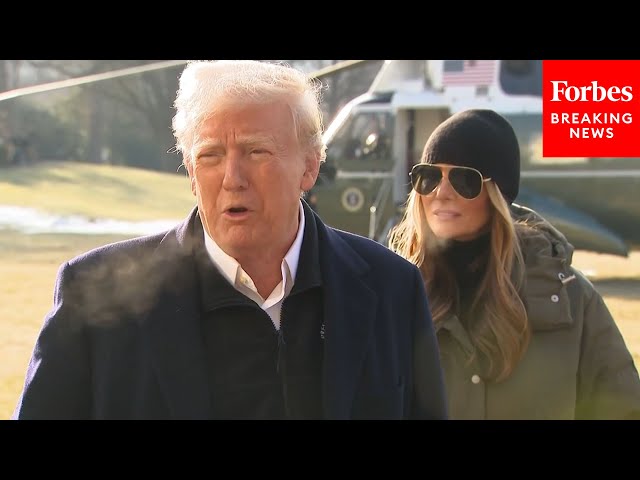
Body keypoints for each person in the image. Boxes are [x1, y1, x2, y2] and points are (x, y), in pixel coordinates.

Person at [12, 60, 448, 420]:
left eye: (257, 152)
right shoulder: (94, 293)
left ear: (310, 167)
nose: (232, 179)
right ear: (190, 170)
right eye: (210, 156)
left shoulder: (393, 288)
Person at [388, 108, 640, 420]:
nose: (441, 192)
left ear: (498, 195)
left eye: (464, 179)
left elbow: (622, 408)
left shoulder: (571, 300)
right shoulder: (393, 296)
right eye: (428, 176)